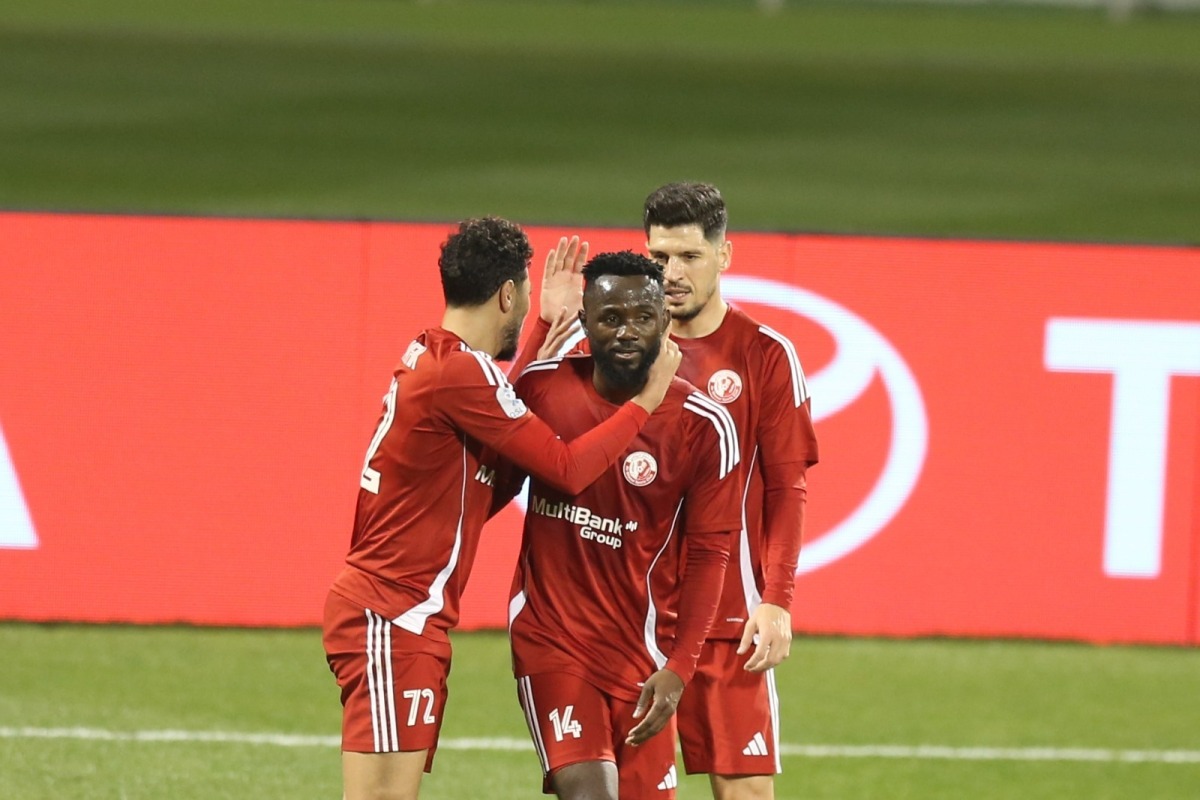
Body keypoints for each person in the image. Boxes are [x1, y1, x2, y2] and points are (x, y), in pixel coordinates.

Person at [322, 217, 681, 800]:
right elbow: (564, 468)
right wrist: (646, 400)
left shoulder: (440, 358)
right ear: (507, 294)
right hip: (392, 615)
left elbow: (501, 442)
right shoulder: (458, 374)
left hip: (402, 615)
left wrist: (542, 328)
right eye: (528, 297)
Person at [503, 250, 744, 800]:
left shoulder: (705, 425)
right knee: (591, 794)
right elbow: (495, 459)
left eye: (642, 316)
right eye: (610, 317)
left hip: (643, 655)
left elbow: (710, 555)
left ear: (665, 321)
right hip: (552, 641)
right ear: (584, 322)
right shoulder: (543, 390)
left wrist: (680, 667)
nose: (627, 331)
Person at [645, 182, 819, 800]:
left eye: (689, 256)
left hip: (728, 618)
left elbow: (787, 486)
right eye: (659, 257)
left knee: (745, 792)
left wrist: (777, 600)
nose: (671, 274)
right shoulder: (619, 352)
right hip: (634, 617)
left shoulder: (764, 355)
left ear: (724, 255)